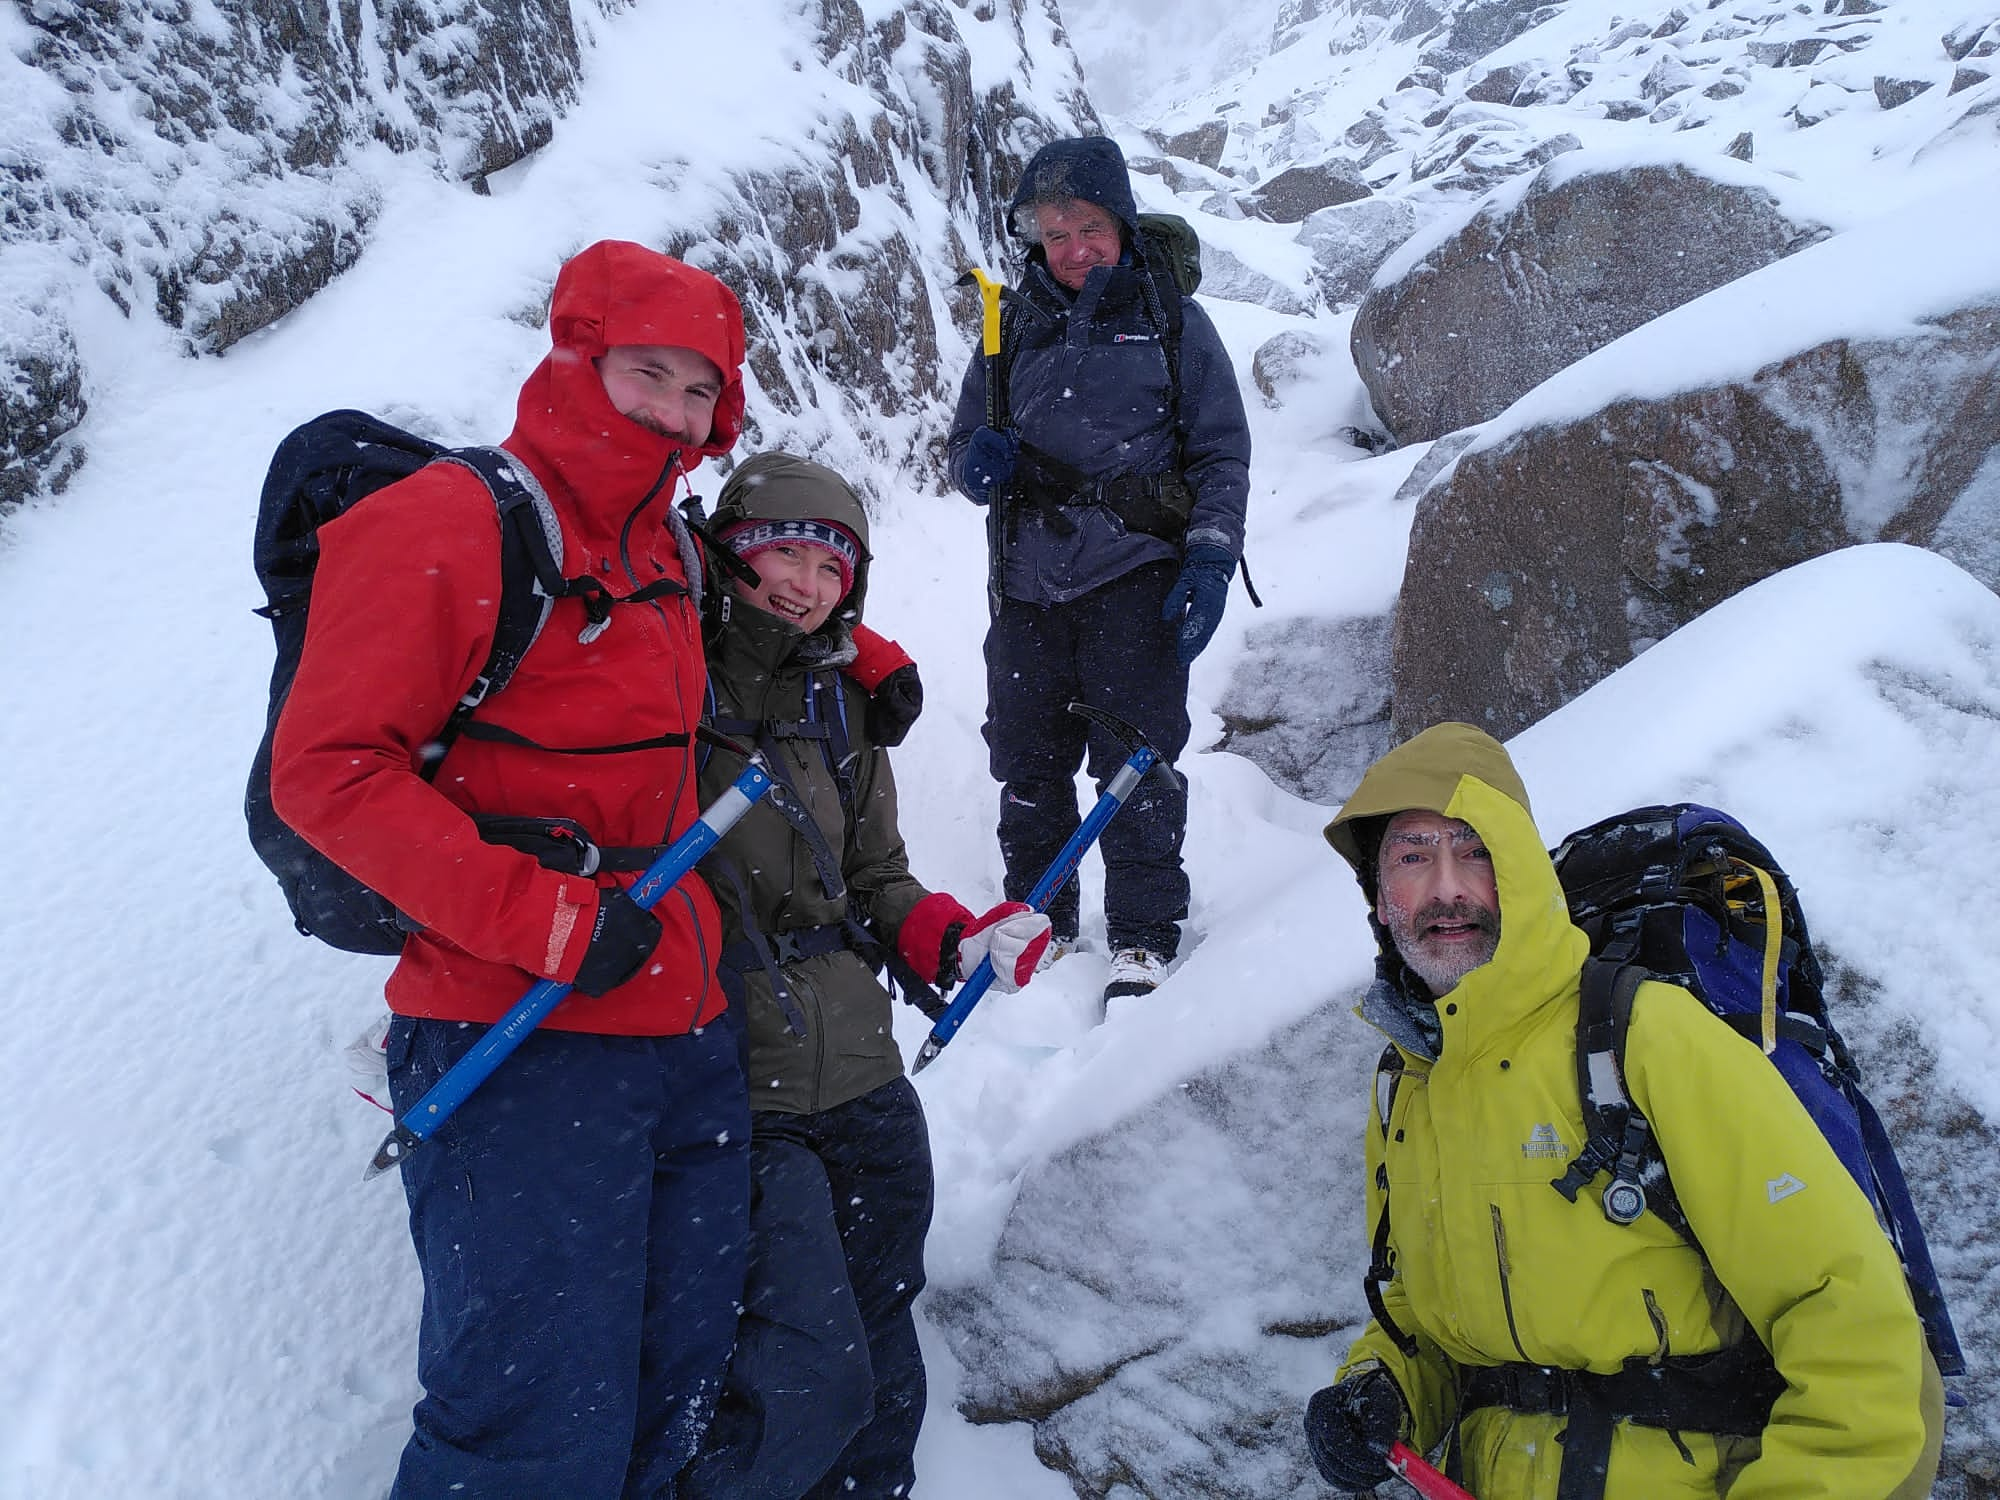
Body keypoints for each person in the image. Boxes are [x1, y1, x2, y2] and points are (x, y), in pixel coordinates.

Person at [272, 239, 753, 1499]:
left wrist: (859, 658)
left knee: (671, 1385)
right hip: (517, 1034)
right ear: (577, 360)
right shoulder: (448, 522)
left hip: (683, 1022)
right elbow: (326, 772)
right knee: (534, 1430)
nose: (674, 412)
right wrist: (544, 923)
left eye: (701, 390)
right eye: (647, 373)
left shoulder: (670, 554)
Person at [1303, 722, 1944, 1499]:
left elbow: (1853, 1322)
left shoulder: (1645, 1037)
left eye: (1476, 850)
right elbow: (1428, 1315)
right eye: (1412, 857)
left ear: (1523, 873)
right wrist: (1384, 1389)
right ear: (1378, 894)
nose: (1447, 889)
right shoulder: (1408, 1082)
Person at [678, 451, 1052, 1500]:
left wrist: (952, 940)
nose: (806, 583)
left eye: (832, 566)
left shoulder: (841, 705)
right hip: (738, 1090)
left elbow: (874, 876)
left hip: (863, 1076)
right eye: (782, 553)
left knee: (884, 1338)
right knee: (805, 1377)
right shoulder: (670, 687)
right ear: (728, 553)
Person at [944, 134, 1251, 1007]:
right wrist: (978, 464)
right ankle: (1037, 921)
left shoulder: (1172, 320)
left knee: (1137, 764)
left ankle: (1145, 935)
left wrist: (1210, 558)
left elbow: (1221, 454)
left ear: (1118, 221)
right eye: (1054, 232)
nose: (1073, 248)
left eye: (1087, 226)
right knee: (1027, 766)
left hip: (1134, 575)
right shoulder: (1008, 323)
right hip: (1028, 586)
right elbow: (963, 443)